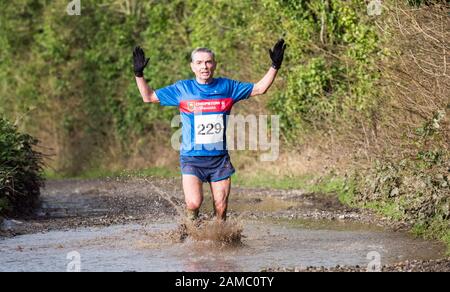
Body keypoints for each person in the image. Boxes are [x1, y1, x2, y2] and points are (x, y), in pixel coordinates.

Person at [133, 39, 286, 221]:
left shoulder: (227, 87)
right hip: (192, 158)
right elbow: (148, 96)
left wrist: (275, 65)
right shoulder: (182, 88)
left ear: (214, 64)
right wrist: (138, 73)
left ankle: (219, 240)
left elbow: (260, 88)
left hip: (219, 160)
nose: (204, 66)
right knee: (193, 203)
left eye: (208, 62)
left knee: (221, 207)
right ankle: (191, 230)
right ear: (192, 67)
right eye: (199, 63)